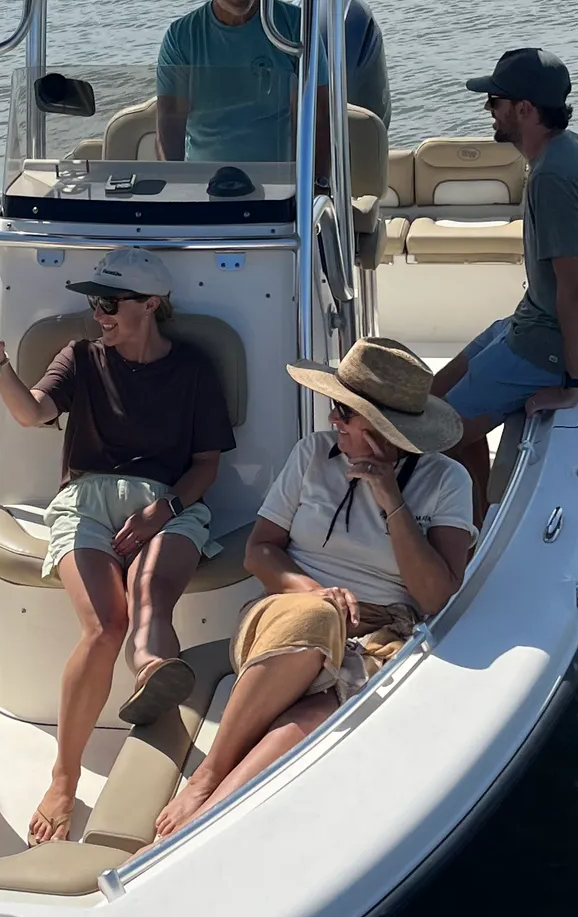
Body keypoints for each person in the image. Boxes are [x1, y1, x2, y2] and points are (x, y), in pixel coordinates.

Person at [155, 338, 473, 838]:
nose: (332, 420)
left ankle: (204, 824)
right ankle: (207, 776)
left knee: (315, 715)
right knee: (316, 617)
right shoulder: (311, 455)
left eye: (344, 413)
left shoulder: (446, 481)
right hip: (287, 613)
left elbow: (437, 599)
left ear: (382, 428)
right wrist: (314, 593)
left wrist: (391, 499)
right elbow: (259, 551)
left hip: (379, 632)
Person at [0, 247, 236, 844]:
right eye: (95, 303)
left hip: (168, 502)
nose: (98, 314)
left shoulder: (194, 369)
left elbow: (206, 464)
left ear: (151, 305)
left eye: (109, 303)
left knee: (151, 599)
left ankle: (153, 675)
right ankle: (64, 778)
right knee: (104, 626)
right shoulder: (80, 357)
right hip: (85, 502)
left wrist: (162, 511)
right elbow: (31, 413)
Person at [430, 47, 578, 522]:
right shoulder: (570, 150)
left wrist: (573, 385)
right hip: (530, 324)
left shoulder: (553, 179)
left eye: (495, 101)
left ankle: (464, 534)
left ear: (524, 109)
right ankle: (476, 513)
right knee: (431, 396)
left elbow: (577, 292)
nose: (488, 109)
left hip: (547, 349)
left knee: (433, 436)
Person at [155, 0, 388, 161]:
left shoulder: (296, 26)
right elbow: (170, 120)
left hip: (280, 182)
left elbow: (318, 115)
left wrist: (316, 185)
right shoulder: (181, 37)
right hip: (204, 184)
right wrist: (175, 186)